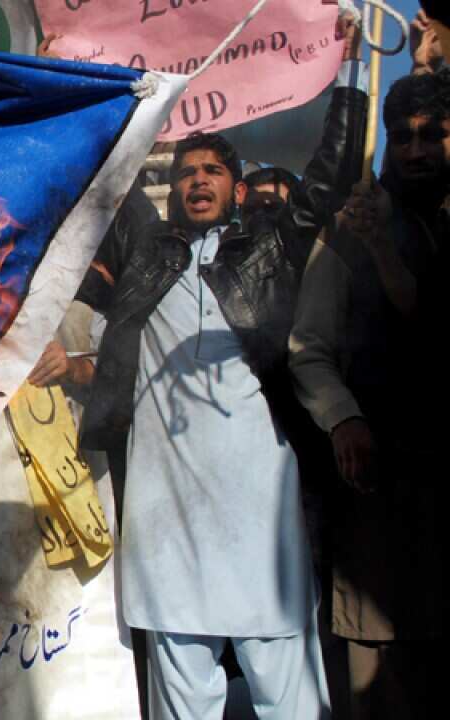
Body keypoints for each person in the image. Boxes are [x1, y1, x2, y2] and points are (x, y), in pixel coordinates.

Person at [75, 133, 333, 719]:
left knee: (283, 676)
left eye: (213, 171)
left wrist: (347, 74)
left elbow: (321, 186)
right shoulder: (145, 256)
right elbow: (105, 190)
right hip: (169, 510)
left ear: (237, 190)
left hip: (259, 509)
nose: (197, 181)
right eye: (188, 172)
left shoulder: (270, 254)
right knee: (180, 679)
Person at [288, 68, 449, 720]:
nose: (415, 149)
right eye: (402, 136)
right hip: (381, 492)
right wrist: (342, 418)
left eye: (433, 134)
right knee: (382, 679)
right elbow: (308, 348)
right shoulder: (348, 225)